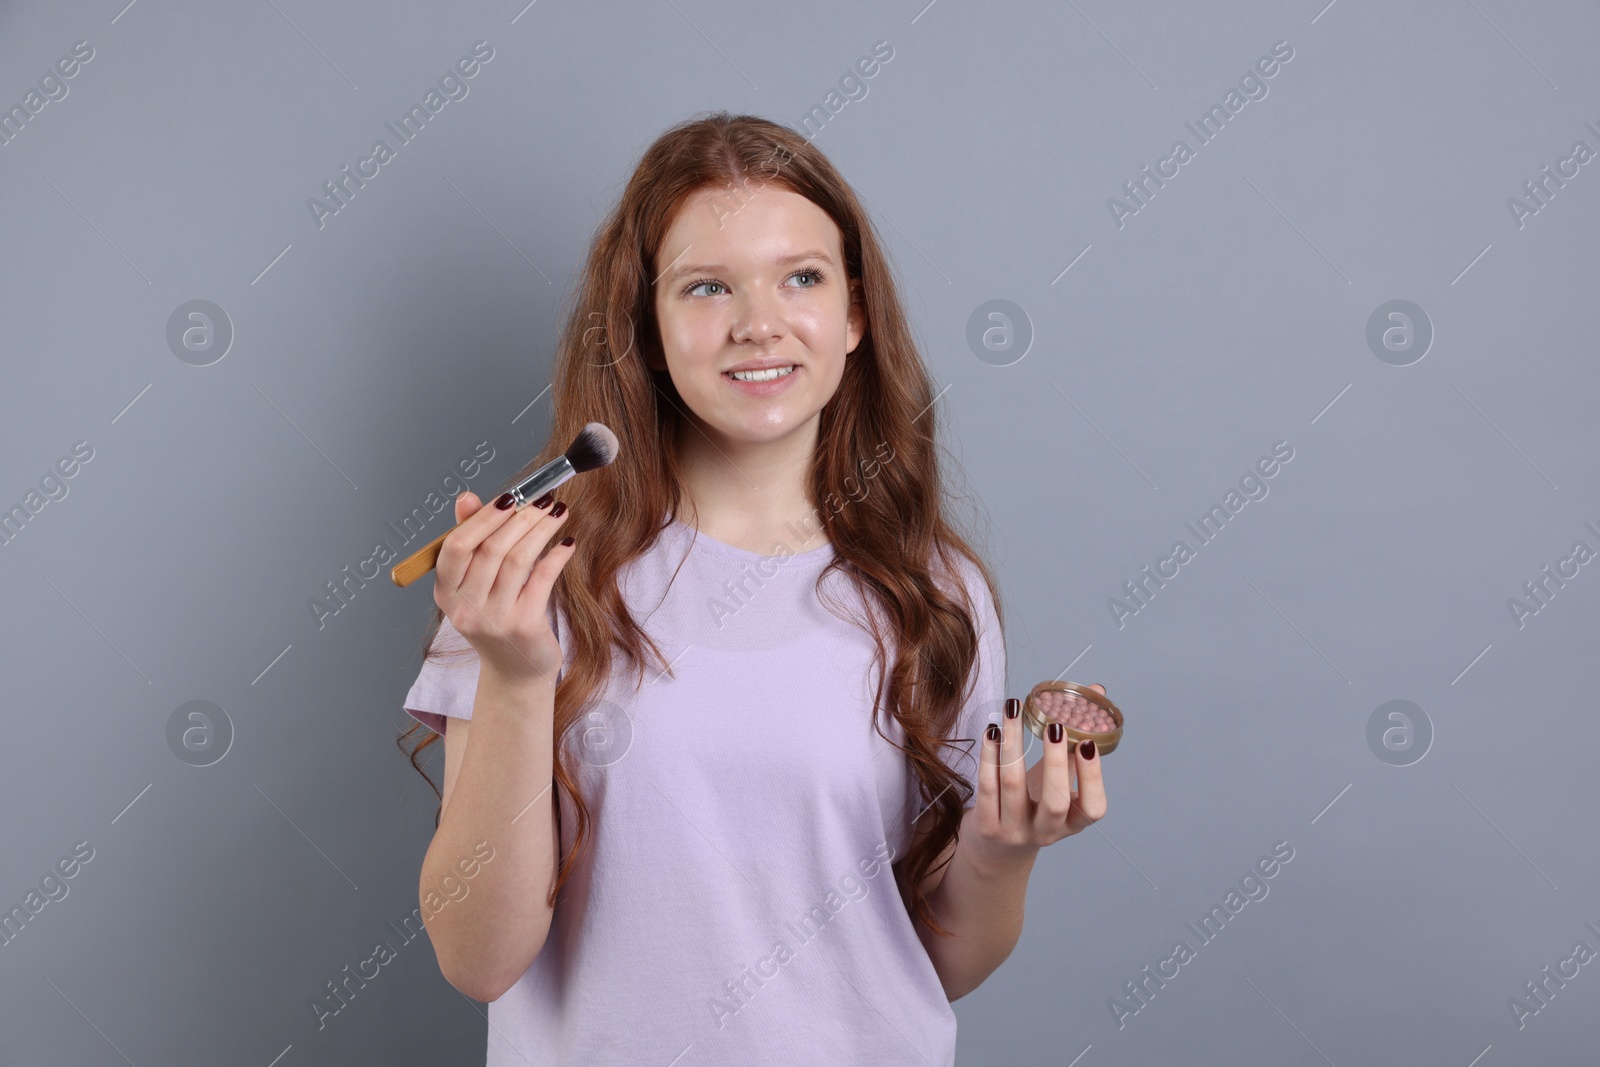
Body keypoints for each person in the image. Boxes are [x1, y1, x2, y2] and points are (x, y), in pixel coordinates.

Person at [397, 110, 1109, 1066]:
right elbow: (478, 959)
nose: (759, 323)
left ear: (855, 314)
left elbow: (929, 965)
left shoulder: (935, 592)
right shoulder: (528, 583)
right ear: (645, 328)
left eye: (801, 277)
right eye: (706, 287)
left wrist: (1002, 849)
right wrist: (518, 676)